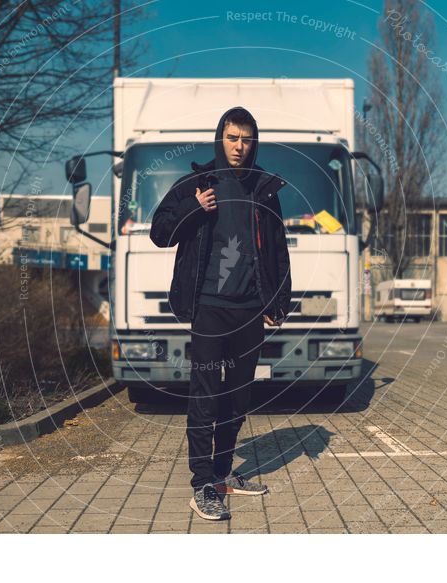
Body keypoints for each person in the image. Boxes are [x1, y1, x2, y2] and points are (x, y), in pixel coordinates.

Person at [150, 107, 292, 520]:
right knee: (206, 397)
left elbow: (278, 250)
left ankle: (223, 473)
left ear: (254, 142)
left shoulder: (263, 189)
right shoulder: (197, 183)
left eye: (246, 139)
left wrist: (278, 300)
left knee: (238, 397)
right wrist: (193, 208)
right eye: (233, 138)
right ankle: (201, 484)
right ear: (220, 138)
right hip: (210, 308)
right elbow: (160, 232)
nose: (239, 147)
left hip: (250, 310)